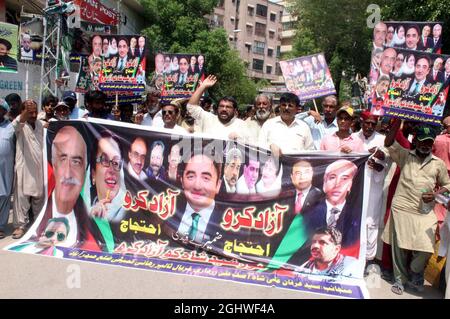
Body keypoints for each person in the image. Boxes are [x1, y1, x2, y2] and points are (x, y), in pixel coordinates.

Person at [382, 120, 450, 295]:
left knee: (426, 248)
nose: (426, 145)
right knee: (398, 249)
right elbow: (388, 143)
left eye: (429, 142)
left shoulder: (438, 164)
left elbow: (448, 184)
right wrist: (397, 120)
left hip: (424, 212)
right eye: (423, 141)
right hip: (401, 208)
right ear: (416, 141)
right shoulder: (406, 155)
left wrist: (436, 195)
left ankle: (415, 271)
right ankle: (399, 280)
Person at [355, 111, 387, 265]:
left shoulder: (382, 140)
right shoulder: (353, 137)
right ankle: (353, 254)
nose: (369, 126)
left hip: (374, 186)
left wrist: (379, 165)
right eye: (366, 123)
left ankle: (368, 258)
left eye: (373, 124)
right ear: (361, 122)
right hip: (356, 187)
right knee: (355, 219)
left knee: (371, 222)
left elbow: (387, 164)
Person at [11, 100, 45, 239]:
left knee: (38, 197)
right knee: (22, 199)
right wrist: (24, 114)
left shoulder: (40, 125)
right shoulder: (19, 125)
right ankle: (20, 226)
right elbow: (16, 124)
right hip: (24, 168)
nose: (33, 114)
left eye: (35, 111)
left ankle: (38, 223)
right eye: (29, 111)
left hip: (39, 168)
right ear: (23, 112)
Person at [173, 153, 223, 245]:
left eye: (206, 178)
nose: (197, 186)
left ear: (218, 185)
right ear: (182, 181)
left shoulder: (228, 226)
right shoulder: (167, 212)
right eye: (191, 176)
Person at [187, 75, 248, 141]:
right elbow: (191, 106)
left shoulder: (242, 125)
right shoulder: (208, 119)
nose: (224, 109)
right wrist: (203, 86)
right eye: (221, 106)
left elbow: (250, 147)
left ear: (235, 110)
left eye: (228, 107)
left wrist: (239, 140)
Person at [88, 131, 127, 224]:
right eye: (104, 160)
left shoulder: (131, 212)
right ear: (93, 174)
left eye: (116, 163)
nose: (111, 169)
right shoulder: (84, 214)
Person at [0, 99, 14, 239]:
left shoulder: (11, 127)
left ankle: (1, 226)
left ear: (4, 111)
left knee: (4, 196)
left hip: (5, 167)